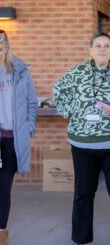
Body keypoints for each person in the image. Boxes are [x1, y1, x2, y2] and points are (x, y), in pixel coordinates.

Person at [53, 33, 110, 245]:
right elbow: (59, 91)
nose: (102, 49)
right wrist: (72, 111)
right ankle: (81, 239)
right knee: (82, 194)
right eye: (98, 45)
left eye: (106, 46)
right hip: (82, 145)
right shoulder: (77, 72)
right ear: (90, 50)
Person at [0, 29, 37, 245]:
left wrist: (28, 127)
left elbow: (32, 103)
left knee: (4, 187)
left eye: (1, 47)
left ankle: (1, 234)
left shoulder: (20, 72)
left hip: (12, 140)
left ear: (6, 48)